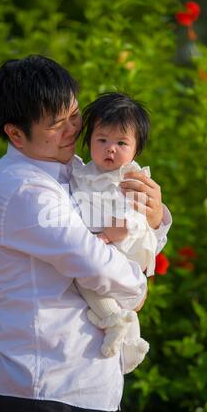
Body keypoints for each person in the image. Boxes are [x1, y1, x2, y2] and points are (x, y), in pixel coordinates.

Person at [0, 55, 172, 412]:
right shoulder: (26, 189)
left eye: (75, 115)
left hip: (67, 385)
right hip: (43, 388)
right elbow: (93, 260)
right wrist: (137, 287)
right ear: (16, 134)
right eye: (56, 123)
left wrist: (154, 217)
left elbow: (126, 232)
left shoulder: (71, 167)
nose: (72, 130)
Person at [70, 92, 158, 374]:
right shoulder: (84, 172)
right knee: (108, 292)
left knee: (88, 280)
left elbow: (132, 218)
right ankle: (131, 340)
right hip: (107, 242)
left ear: (136, 149)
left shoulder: (130, 177)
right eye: (102, 140)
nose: (110, 149)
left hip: (124, 243)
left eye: (121, 143)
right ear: (89, 140)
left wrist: (107, 235)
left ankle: (113, 321)